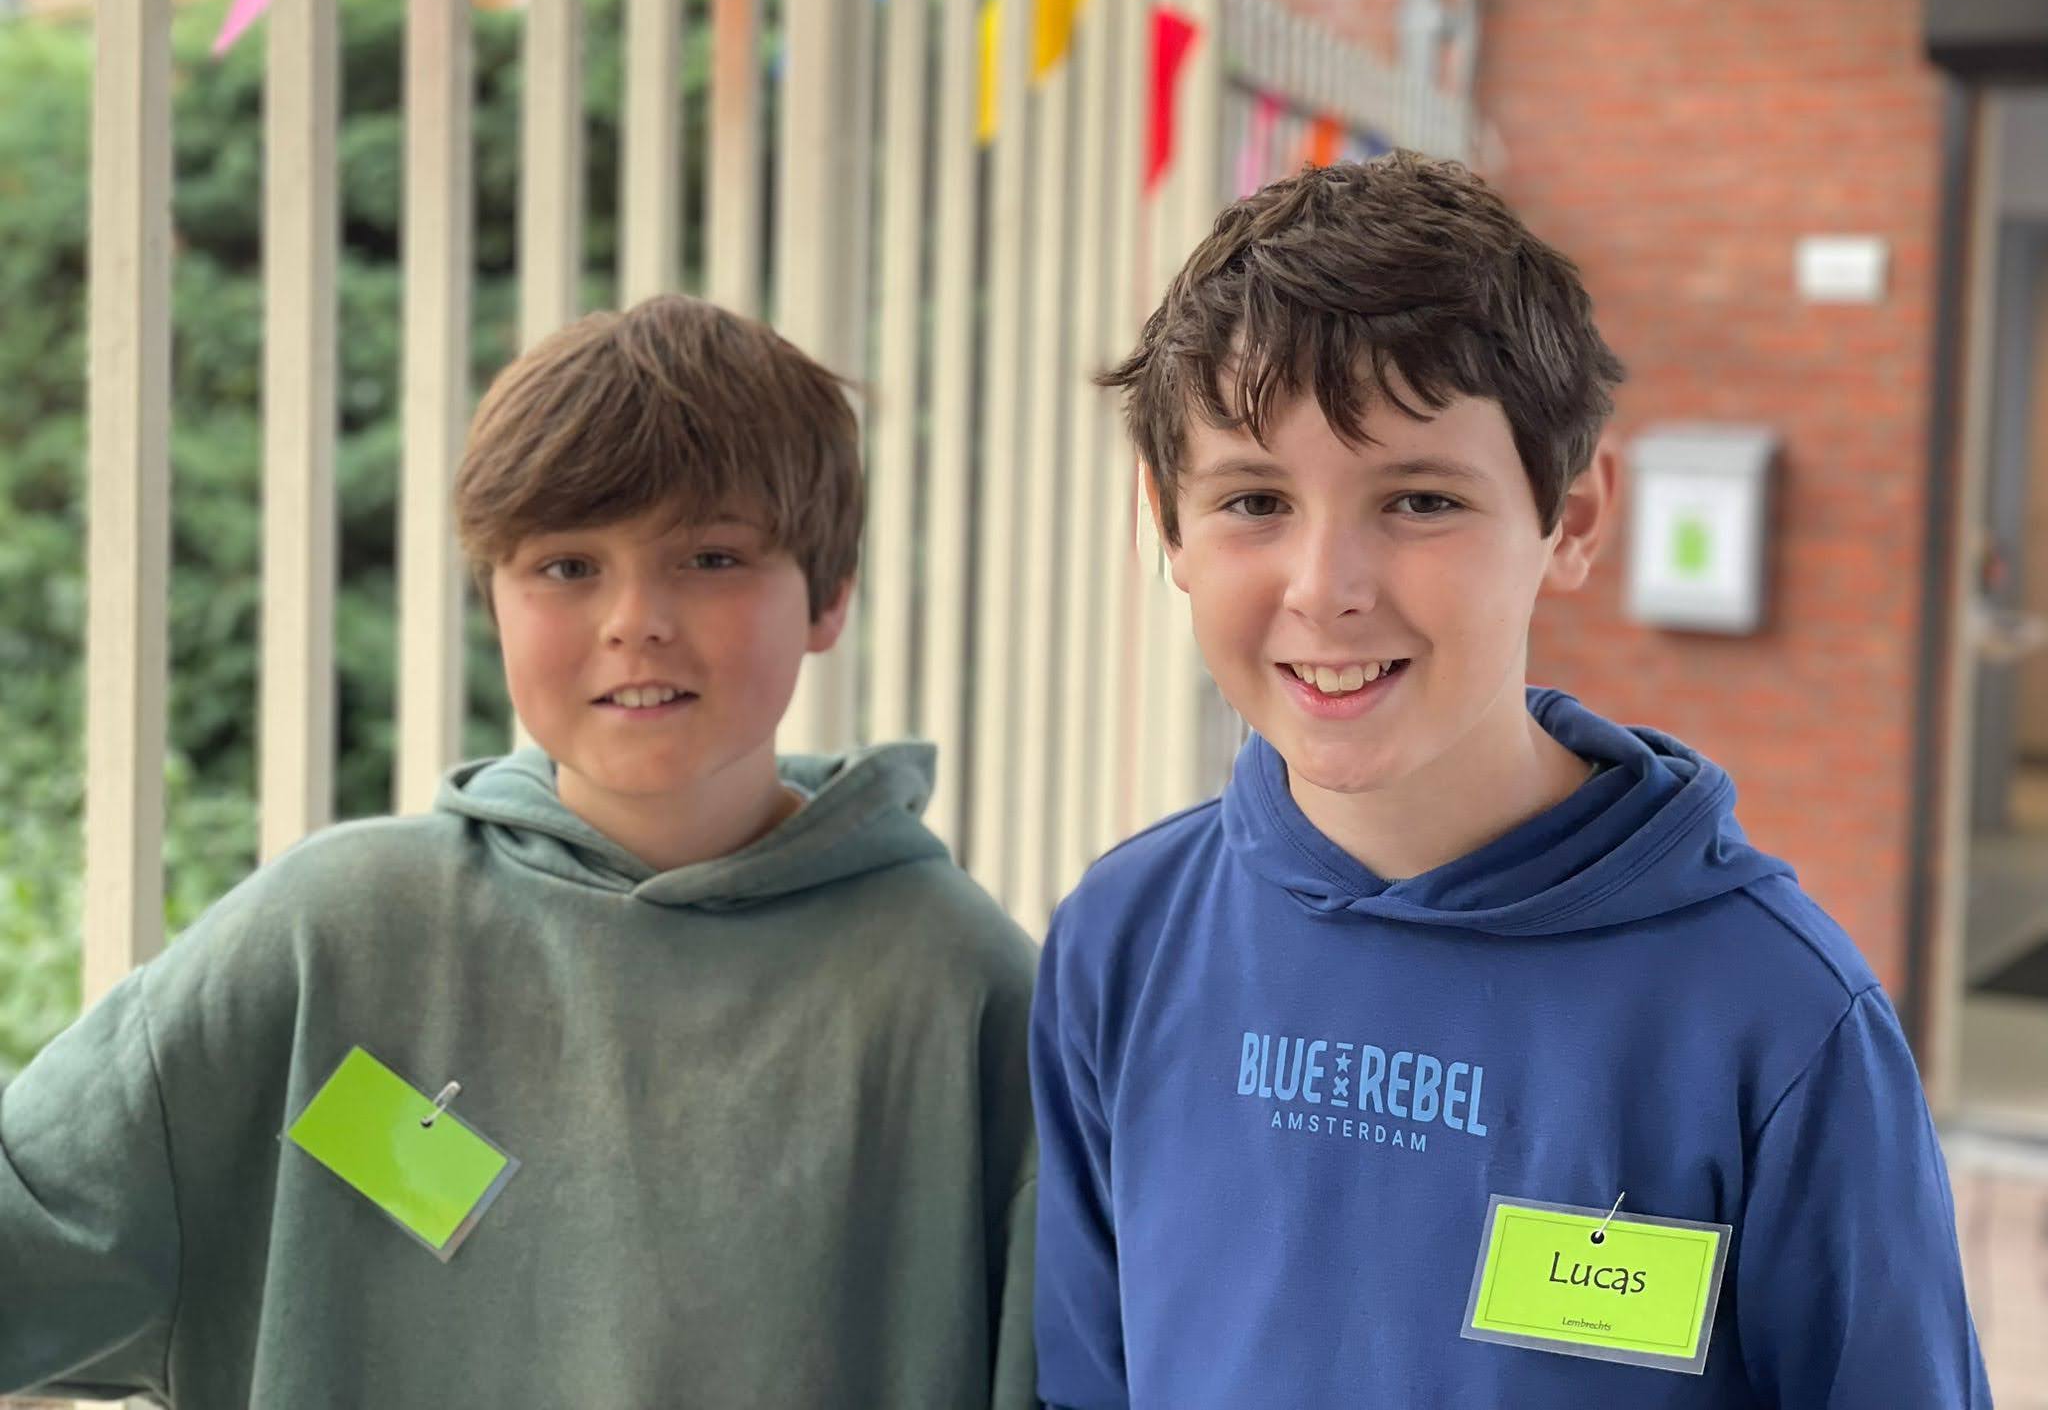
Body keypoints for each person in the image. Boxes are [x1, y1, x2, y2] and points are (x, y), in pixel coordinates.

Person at [1029, 153, 1990, 1407]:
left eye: (1419, 500)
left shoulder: (1777, 1020)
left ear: (1572, 517)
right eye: (1254, 501)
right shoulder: (1121, 941)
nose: (1324, 588)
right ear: (1165, 521)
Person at [1, 294, 1039, 1409]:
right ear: (491, 598)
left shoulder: (963, 987)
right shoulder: (329, 936)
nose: (635, 619)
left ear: (828, 595)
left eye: (710, 556)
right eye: (566, 567)